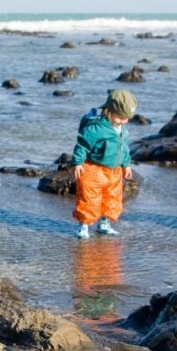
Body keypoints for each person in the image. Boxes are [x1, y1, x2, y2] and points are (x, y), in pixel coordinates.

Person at [71, 89, 137, 239]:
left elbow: (124, 147)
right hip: (93, 168)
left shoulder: (122, 129)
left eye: (127, 118)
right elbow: (82, 144)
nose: (124, 121)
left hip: (114, 171)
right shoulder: (97, 128)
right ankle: (83, 226)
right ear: (109, 111)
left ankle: (104, 223)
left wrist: (126, 164)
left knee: (112, 198)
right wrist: (77, 162)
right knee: (89, 198)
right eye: (120, 117)